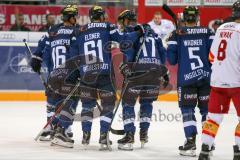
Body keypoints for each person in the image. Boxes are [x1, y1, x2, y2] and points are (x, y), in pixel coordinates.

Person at [68, 6, 144, 150]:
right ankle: (103, 136)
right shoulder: (108, 27)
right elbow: (123, 41)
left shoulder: (79, 30)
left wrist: (77, 73)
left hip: (86, 74)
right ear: (102, 16)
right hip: (104, 73)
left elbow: (73, 55)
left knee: (86, 105)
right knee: (108, 104)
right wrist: (138, 32)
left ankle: (86, 135)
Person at [116, 10, 168, 151]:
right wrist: (164, 72)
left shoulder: (131, 32)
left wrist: (126, 67)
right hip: (155, 72)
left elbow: (129, 53)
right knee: (147, 102)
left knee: (128, 103)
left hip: (138, 71)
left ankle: (129, 135)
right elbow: (163, 55)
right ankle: (144, 133)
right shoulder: (153, 33)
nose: (121, 25)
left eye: (122, 21)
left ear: (126, 21)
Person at [167, 6, 214, 157]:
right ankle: (208, 144)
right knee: (206, 112)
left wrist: (171, 43)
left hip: (186, 79)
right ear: (197, 17)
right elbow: (214, 57)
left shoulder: (177, 34)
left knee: (187, 111)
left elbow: (172, 60)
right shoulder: (208, 32)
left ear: (185, 17)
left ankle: (190, 142)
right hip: (206, 78)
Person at [30, 5, 79, 146]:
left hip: (53, 73)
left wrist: (36, 59)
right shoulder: (76, 31)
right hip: (69, 74)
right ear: (70, 17)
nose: (76, 18)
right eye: (75, 15)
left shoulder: (52, 30)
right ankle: (64, 129)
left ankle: (49, 128)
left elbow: (42, 46)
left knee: (52, 102)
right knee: (70, 102)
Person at [198, 1, 240, 160]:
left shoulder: (222, 28)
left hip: (217, 81)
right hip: (237, 83)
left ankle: (205, 150)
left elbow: (211, 56)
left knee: (213, 118)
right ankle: (238, 151)